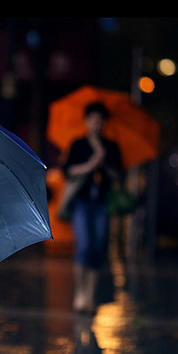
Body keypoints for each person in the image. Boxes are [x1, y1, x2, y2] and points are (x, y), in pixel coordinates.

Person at [62, 102, 122, 315]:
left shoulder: (111, 147)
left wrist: (103, 163)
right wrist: (90, 165)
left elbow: (118, 177)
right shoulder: (78, 145)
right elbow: (67, 170)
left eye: (100, 120)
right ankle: (80, 292)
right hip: (82, 202)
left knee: (98, 247)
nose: (96, 124)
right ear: (87, 121)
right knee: (84, 245)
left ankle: (91, 295)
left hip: (102, 203)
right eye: (93, 119)